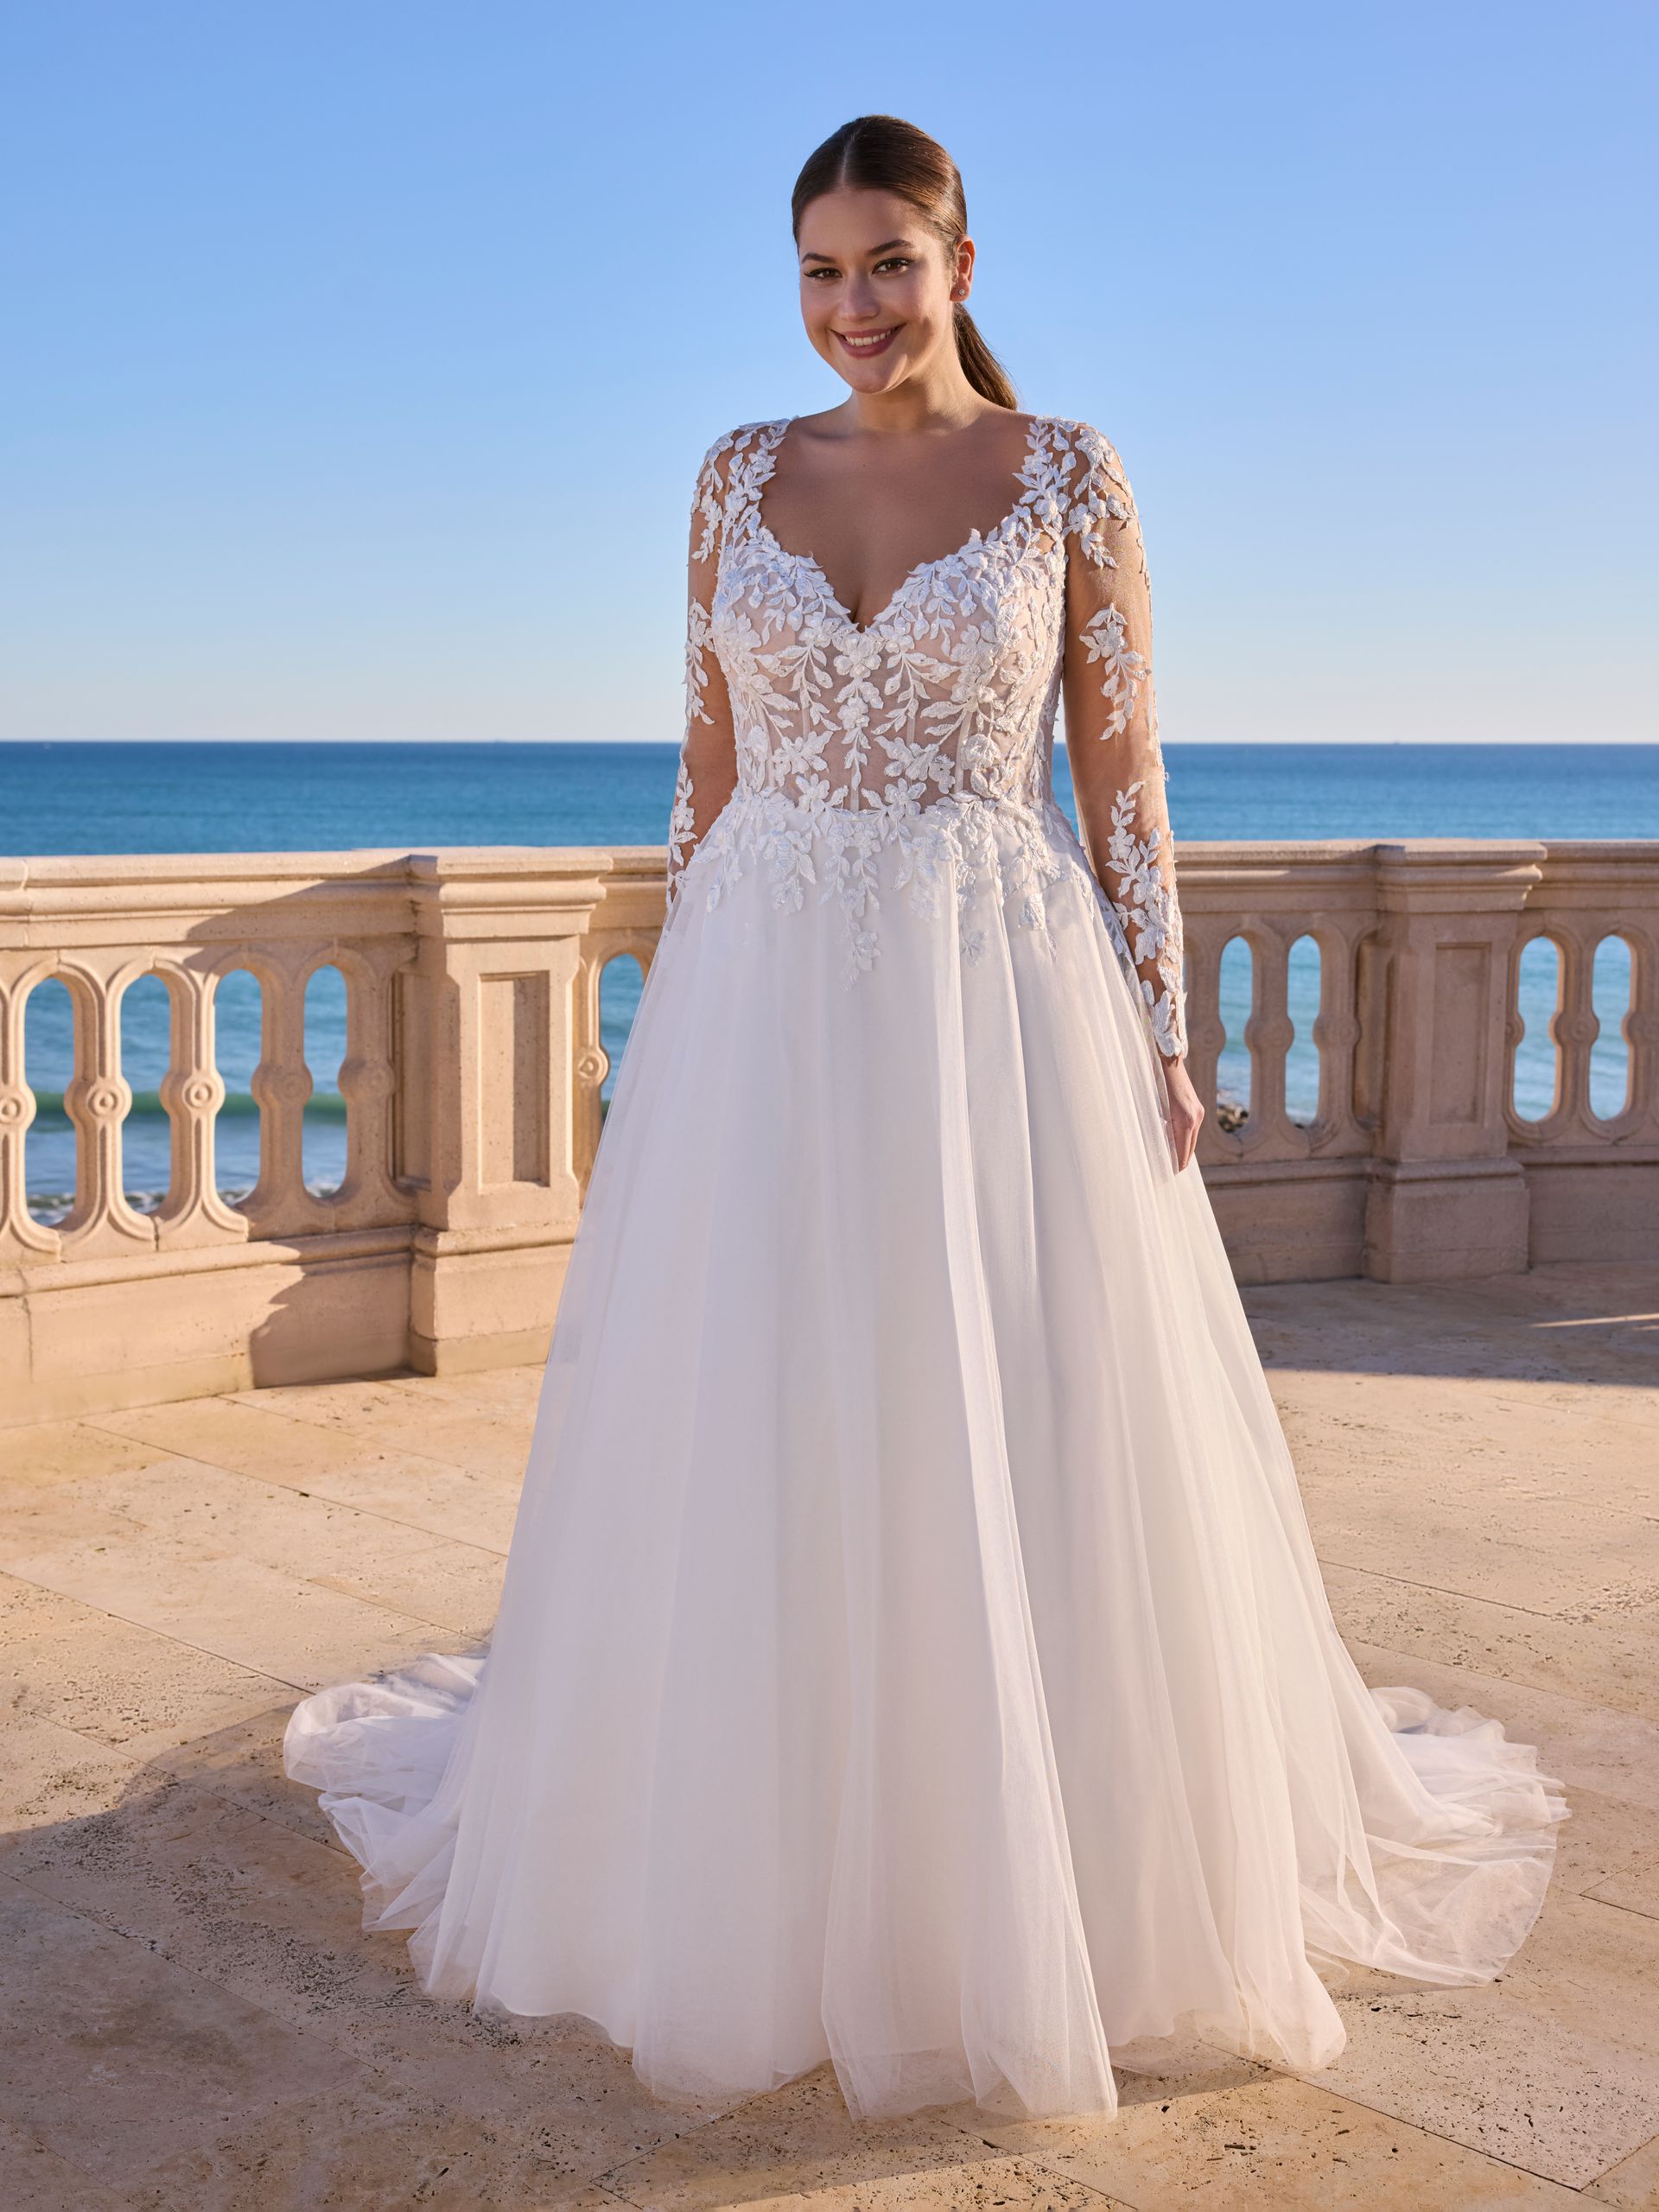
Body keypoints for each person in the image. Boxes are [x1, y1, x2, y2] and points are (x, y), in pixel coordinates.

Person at [286, 113, 1565, 2123]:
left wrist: (1162, 1022)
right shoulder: (730, 477)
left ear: (962, 257)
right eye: (817, 271)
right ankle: (756, 1838)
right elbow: (702, 784)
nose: (851, 309)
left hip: (997, 988)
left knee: (1013, 1393)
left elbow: (1122, 786)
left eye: (887, 263)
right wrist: (658, 1029)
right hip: (763, 995)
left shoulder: (1067, 476)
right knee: (772, 1394)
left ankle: (1029, 1854)